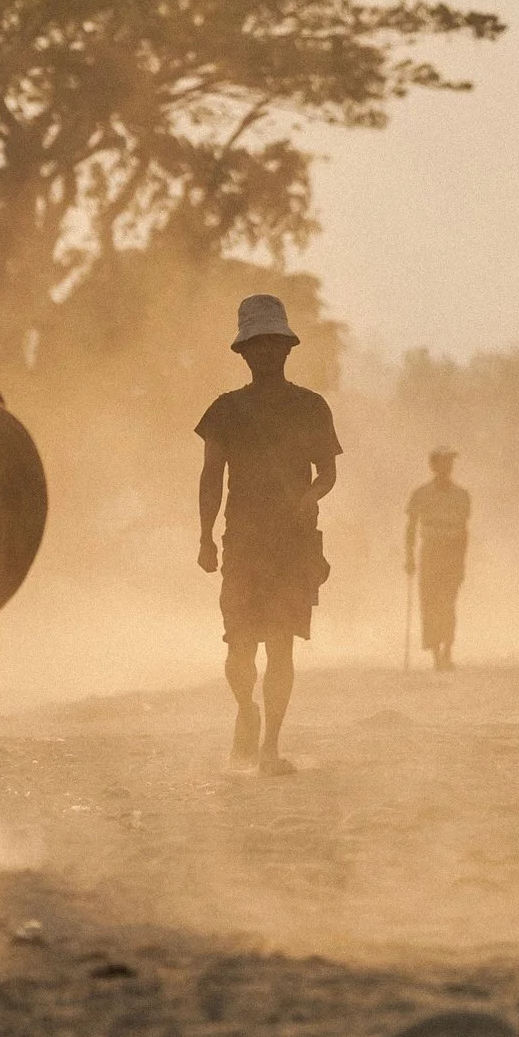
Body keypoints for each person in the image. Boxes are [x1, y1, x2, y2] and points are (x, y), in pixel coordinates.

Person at [196, 295, 339, 775]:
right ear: (244, 353)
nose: (267, 353)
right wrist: (205, 537)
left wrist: (310, 497)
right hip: (242, 542)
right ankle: (246, 711)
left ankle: (270, 747)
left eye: (274, 344)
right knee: (239, 647)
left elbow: (327, 473)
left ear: (287, 349)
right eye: (258, 346)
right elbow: (211, 477)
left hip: (293, 544)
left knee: (281, 644)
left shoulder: (311, 407)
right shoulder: (225, 410)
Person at [404, 449, 472, 670]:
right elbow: (411, 526)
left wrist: (461, 560)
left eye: (450, 463)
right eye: (443, 463)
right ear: (434, 466)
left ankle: (447, 651)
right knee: (430, 603)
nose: (448, 467)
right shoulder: (421, 494)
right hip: (430, 552)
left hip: (452, 553)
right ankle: (436, 654)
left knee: (448, 603)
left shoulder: (461, 495)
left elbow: (464, 531)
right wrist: (409, 556)